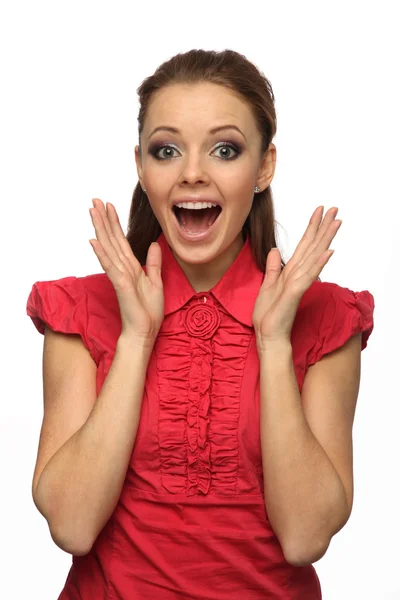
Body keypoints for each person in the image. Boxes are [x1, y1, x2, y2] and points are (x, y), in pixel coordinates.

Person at [26, 49, 375, 599]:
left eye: (224, 149)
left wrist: (275, 342)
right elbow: (71, 525)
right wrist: (137, 337)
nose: (192, 172)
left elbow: (305, 536)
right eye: (166, 150)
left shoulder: (326, 318)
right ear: (141, 168)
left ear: (264, 166)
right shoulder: (80, 309)